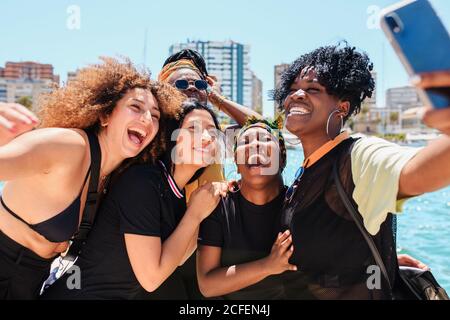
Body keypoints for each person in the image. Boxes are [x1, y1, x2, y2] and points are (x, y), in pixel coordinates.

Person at [272, 44, 450, 299]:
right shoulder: (306, 170)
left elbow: (418, 172)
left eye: (313, 89)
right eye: (292, 89)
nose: (297, 95)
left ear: (342, 108)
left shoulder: (357, 156)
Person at [0, 57, 182, 300]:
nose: (147, 120)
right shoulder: (67, 146)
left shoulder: (114, 176)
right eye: (136, 108)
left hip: (32, 283)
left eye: (156, 115)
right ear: (105, 115)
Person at [41, 100, 227, 300]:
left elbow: (179, 258)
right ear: (170, 136)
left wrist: (201, 212)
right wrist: (194, 214)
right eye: (193, 129)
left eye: (212, 132)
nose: (207, 138)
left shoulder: (176, 194)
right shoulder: (143, 183)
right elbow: (152, 278)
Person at [197, 117, 296, 299]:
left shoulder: (299, 204)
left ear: (282, 158)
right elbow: (207, 285)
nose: (255, 146)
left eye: (266, 140)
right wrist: (268, 265)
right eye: (246, 141)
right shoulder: (219, 205)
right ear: (236, 160)